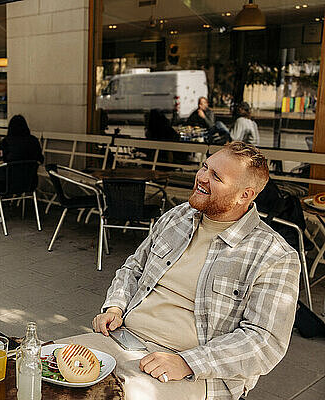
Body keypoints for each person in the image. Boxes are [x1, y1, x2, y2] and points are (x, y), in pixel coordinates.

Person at [92, 142, 300, 400]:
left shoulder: (275, 256)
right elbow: (133, 267)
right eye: (205, 167)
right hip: (122, 339)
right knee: (40, 366)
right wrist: (115, 306)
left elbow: (264, 342)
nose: (202, 178)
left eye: (216, 176)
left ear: (244, 195)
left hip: (192, 371)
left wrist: (187, 363)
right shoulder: (178, 216)